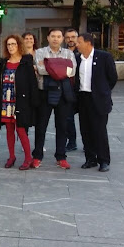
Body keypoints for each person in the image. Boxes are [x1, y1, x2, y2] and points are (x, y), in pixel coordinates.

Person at [33, 28, 77, 170]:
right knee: (41, 126)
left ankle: (61, 157)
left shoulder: (68, 53)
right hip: (44, 92)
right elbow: (40, 70)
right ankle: (37, 156)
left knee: (62, 126)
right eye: (53, 36)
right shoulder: (40, 52)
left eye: (58, 36)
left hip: (63, 93)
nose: (55, 39)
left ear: (62, 39)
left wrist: (50, 67)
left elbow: (71, 71)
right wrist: (61, 68)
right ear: (48, 37)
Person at [0, 35, 38, 170]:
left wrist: (33, 102)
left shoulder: (26, 61)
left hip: (21, 101)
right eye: (8, 44)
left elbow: (32, 82)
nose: (11, 47)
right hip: (6, 101)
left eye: (13, 44)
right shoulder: (3, 62)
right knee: (9, 130)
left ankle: (28, 158)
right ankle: (12, 156)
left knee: (20, 129)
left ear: (19, 45)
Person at [75, 33, 117, 172]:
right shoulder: (77, 58)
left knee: (99, 131)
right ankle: (90, 158)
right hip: (83, 98)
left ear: (88, 43)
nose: (77, 44)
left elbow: (112, 78)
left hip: (98, 100)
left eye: (79, 42)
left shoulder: (104, 57)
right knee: (85, 130)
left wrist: (103, 91)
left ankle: (104, 160)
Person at [64, 28, 80, 152]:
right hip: (68, 91)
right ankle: (72, 142)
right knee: (68, 118)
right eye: (68, 37)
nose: (70, 39)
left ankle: (89, 143)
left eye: (73, 37)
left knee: (87, 119)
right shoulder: (63, 53)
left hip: (82, 91)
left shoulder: (83, 53)